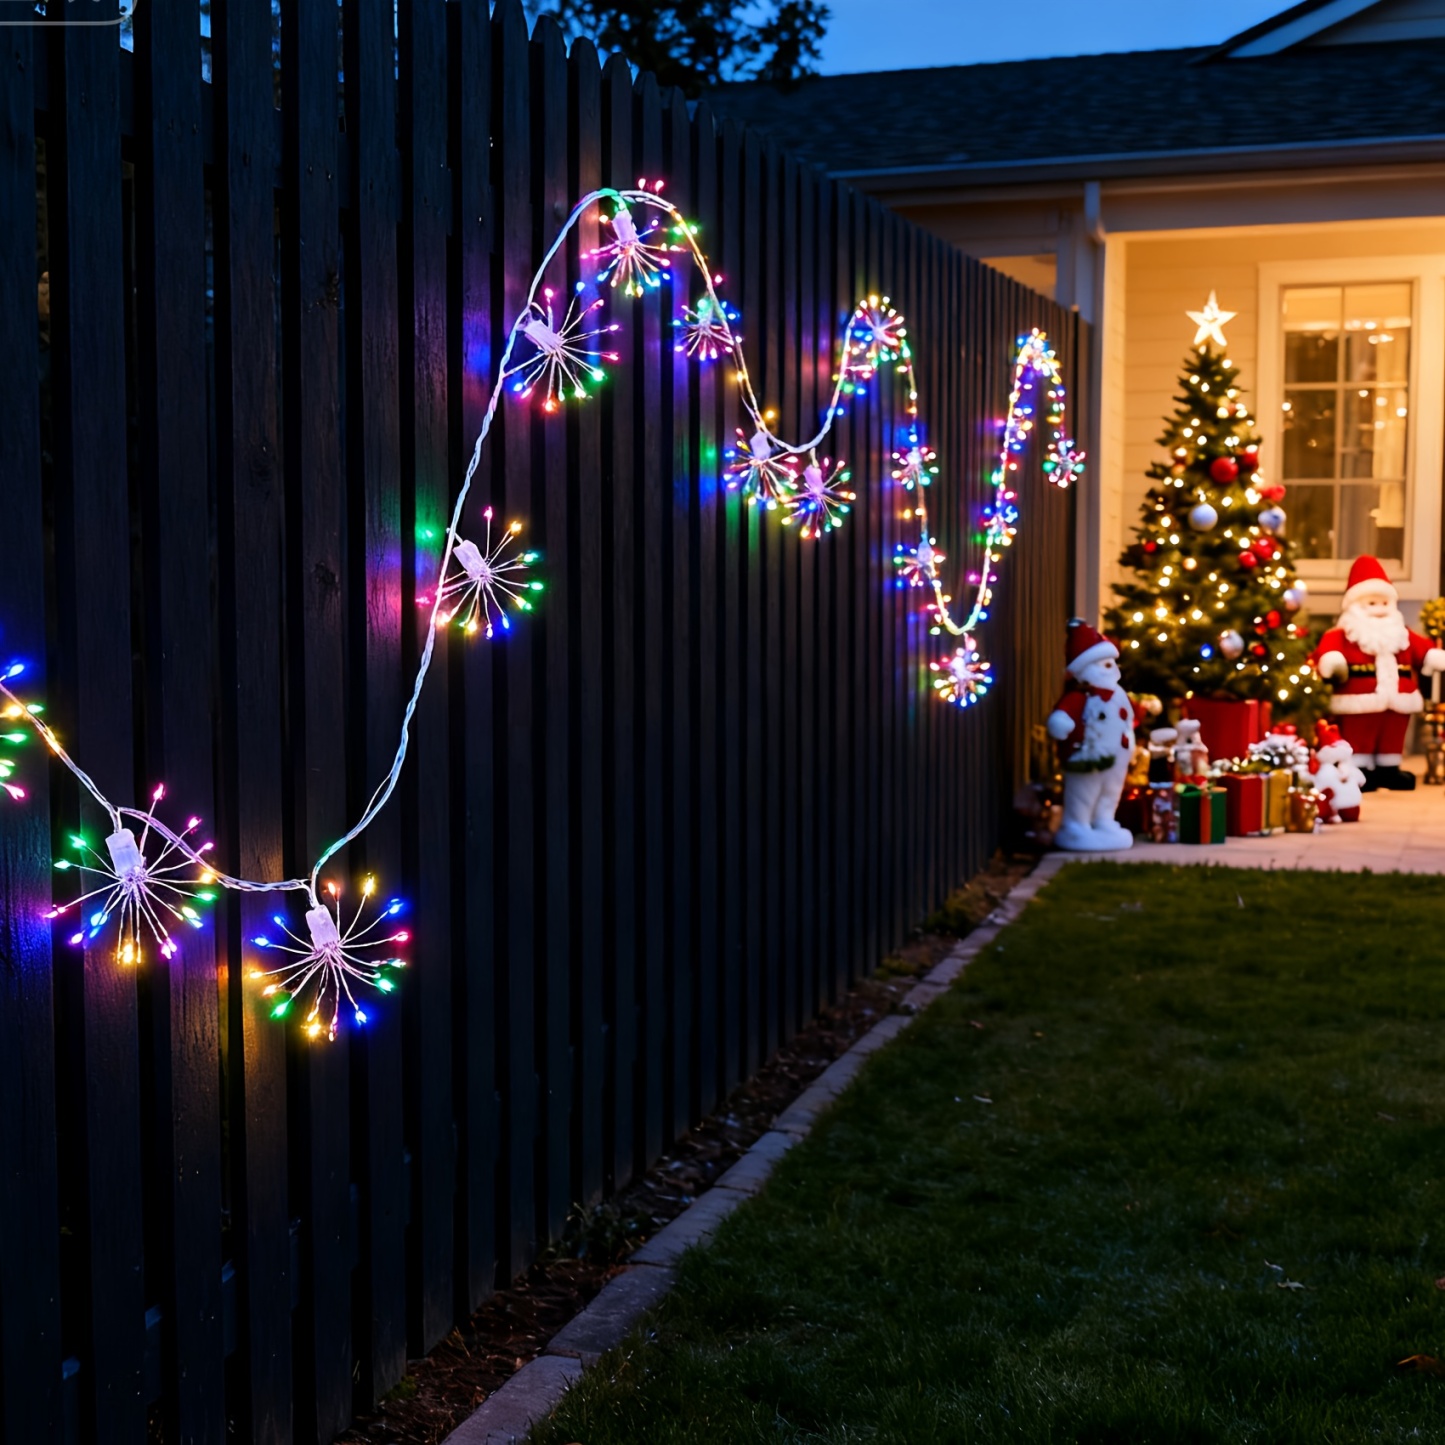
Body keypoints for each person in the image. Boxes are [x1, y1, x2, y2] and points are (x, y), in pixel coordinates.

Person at [1309, 555, 1445, 791]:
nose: (1380, 610)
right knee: (1359, 736)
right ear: (1354, 606)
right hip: (1357, 699)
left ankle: (1389, 770)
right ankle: (1359, 771)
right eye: (1372, 604)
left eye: (1385, 603)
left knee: (1392, 737)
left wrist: (1435, 657)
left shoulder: (1401, 633)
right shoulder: (1342, 634)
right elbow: (1328, 652)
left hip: (1399, 699)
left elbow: (1423, 650)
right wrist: (1333, 662)